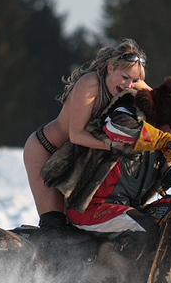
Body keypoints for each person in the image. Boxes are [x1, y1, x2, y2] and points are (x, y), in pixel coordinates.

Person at [41, 76, 171, 235]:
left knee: (170, 227)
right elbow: (115, 128)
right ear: (165, 115)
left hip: (127, 209)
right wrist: (161, 140)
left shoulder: (162, 144)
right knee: (147, 229)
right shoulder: (129, 109)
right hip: (91, 207)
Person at [24, 39, 151, 232]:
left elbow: (164, 104)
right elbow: (76, 135)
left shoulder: (129, 83)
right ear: (110, 68)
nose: (128, 85)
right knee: (55, 227)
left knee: (76, 229)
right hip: (44, 150)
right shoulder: (90, 83)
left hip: (75, 160)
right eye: (125, 77)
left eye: (134, 81)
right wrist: (115, 146)